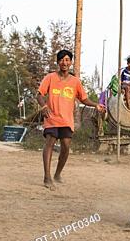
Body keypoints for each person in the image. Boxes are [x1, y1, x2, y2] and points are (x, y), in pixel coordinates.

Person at [37, 50, 105, 190]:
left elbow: (83, 98)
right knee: (50, 142)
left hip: (67, 120)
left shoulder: (75, 82)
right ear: (58, 62)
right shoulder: (50, 77)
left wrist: (96, 105)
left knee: (66, 146)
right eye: (62, 60)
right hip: (51, 117)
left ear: (71, 62)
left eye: (67, 60)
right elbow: (39, 94)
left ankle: (57, 174)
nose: (65, 62)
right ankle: (47, 177)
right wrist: (43, 105)